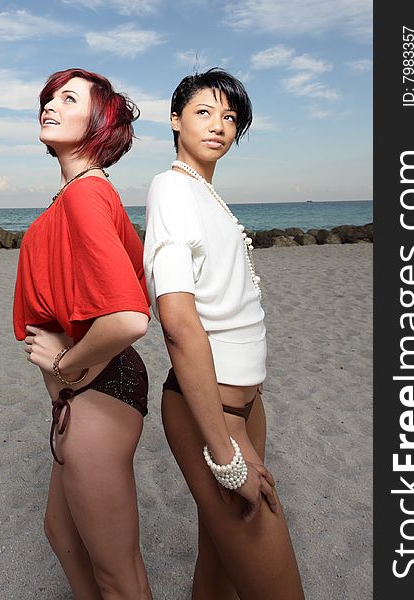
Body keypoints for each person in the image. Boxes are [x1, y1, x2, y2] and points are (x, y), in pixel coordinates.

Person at [143, 68, 305, 599]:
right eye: (204, 112)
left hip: (246, 406)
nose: (219, 125)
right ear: (175, 119)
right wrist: (227, 458)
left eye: (230, 117)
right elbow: (177, 320)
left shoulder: (207, 194)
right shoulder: (171, 187)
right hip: (211, 414)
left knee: (218, 565)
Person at [13, 68, 153, 599]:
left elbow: (128, 318)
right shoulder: (78, 193)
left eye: (68, 98)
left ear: (99, 121)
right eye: (49, 97)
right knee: (61, 531)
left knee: (119, 573)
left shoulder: (84, 195)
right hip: (88, 390)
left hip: (97, 389)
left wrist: (63, 365)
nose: (49, 104)